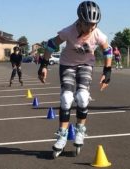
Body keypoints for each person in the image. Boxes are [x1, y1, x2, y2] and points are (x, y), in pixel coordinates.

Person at [38, 1, 113, 158]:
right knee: (66, 98)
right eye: (88, 24)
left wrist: (107, 71)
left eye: (94, 24)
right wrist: (43, 65)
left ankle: (80, 131)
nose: (91, 28)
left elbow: (108, 49)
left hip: (86, 65)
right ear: (80, 21)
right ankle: (62, 135)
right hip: (67, 65)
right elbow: (51, 44)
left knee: (82, 97)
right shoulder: (69, 31)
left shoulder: (97, 34)